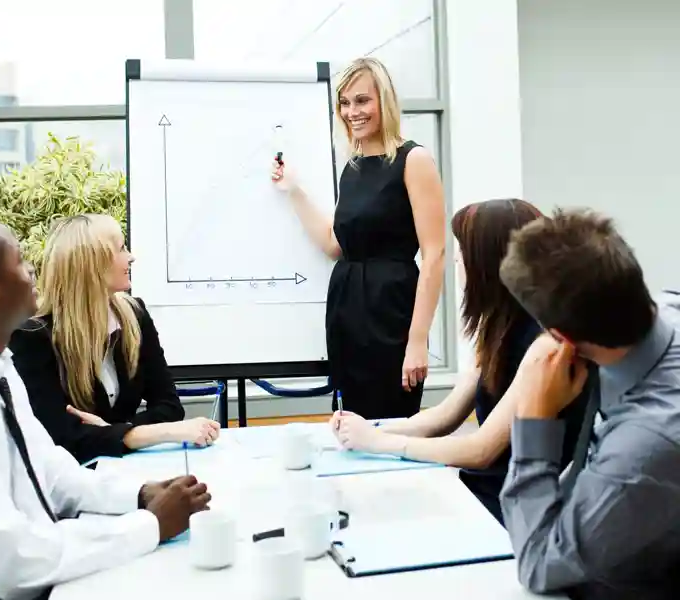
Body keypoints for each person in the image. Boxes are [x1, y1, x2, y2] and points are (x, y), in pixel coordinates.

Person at [0, 215, 211, 600]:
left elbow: (50, 473)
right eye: (20, 260)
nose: (34, 268)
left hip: (48, 577)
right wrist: (149, 525)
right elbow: (13, 563)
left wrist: (140, 494)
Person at [329, 199, 588, 523]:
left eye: (462, 249)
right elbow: (444, 417)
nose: (455, 257)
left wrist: (379, 441)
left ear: (489, 261)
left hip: (511, 510)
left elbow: (480, 451)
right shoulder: (497, 328)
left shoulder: (546, 346)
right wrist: (367, 428)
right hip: (484, 492)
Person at [498, 208, 680, 599]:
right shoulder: (667, 307)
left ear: (560, 336)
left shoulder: (646, 446)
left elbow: (540, 564)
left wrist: (534, 420)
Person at [272, 56, 446, 419]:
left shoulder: (414, 160)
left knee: (391, 429)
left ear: (385, 101)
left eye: (363, 100)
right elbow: (336, 245)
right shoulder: (351, 168)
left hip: (391, 313)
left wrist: (417, 342)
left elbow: (435, 255)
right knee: (354, 427)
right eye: (345, 103)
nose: (353, 111)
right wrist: (294, 191)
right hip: (348, 314)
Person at [9, 214, 220, 465]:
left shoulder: (135, 315)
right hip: (76, 484)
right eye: (121, 248)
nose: (131, 257)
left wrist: (108, 430)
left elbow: (169, 406)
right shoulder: (32, 336)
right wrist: (143, 433)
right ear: (92, 264)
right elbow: (58, 436)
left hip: (130, 467)